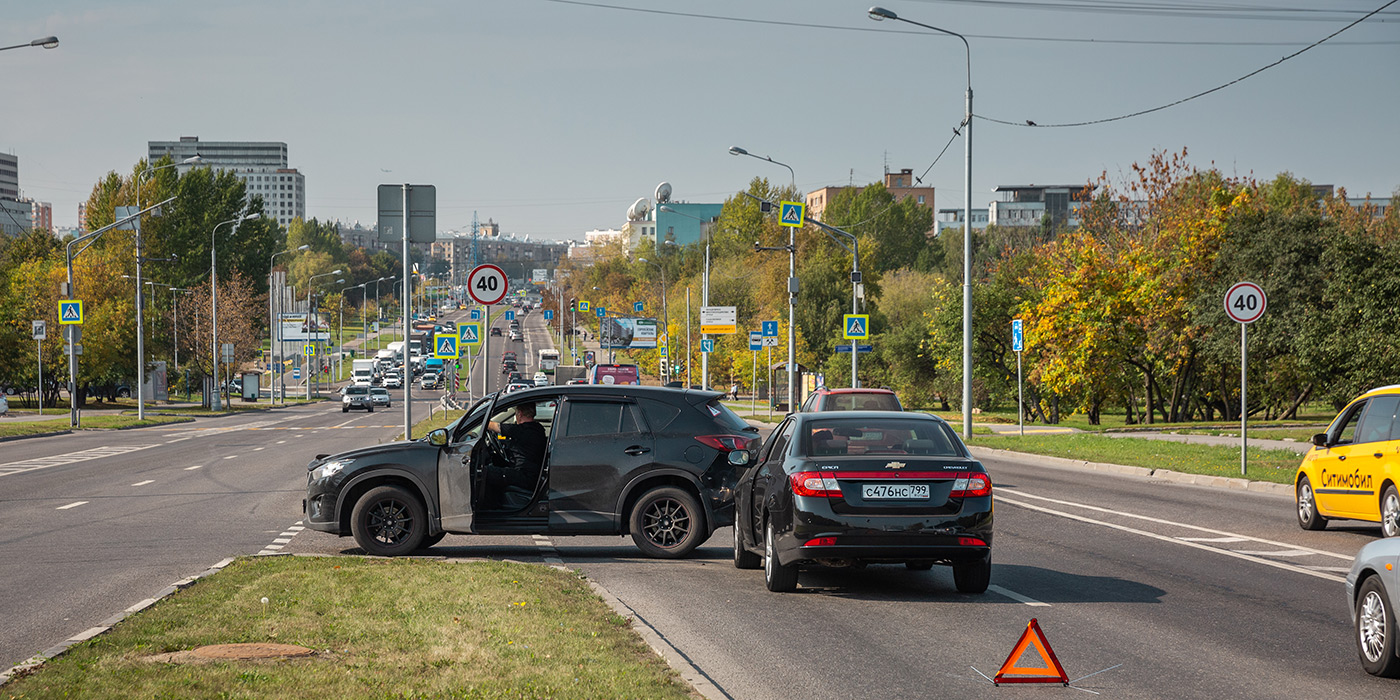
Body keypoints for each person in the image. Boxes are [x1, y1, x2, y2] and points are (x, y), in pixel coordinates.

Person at [486, 402, 547, 500]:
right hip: (531, 475)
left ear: (520, 414)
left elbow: (494, 426)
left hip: (524, 476)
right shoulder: (537, 428)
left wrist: (481, 420)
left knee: (485, 472)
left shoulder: (523, 430)